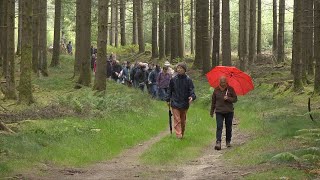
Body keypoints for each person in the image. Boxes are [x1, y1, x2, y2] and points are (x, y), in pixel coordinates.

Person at [165, 62, 196, 139]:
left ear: (184, 70)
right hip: (175, 102)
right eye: (178, 68)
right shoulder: (173, 79)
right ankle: (178, 134)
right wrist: (168, 99)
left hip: (185, 103)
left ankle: (182, 132)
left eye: (181, 68)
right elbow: (169, 90)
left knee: (182, 120)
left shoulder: (188, 80)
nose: (179, 70)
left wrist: (192, 97)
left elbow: (192, 90)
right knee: (177, 119)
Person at [210, 76, 237, 150]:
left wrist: (228, 98)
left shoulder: (230, 89)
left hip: (229, 111)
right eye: (221, 82)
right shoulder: (216, 90)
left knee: (228, 127)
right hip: (219, 111)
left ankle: (228, 141)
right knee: (219, 126)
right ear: (219, 82)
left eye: (224, 82)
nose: (222, 84)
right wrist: (212, 111)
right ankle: (218, 142)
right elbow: (213, 101)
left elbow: (235, 99)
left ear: (226, 82)